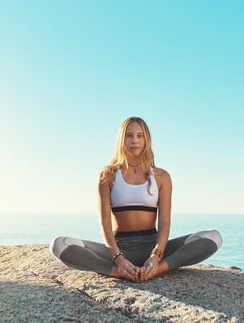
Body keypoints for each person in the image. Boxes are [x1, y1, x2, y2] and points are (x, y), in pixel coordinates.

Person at [50, 117, 223, 282]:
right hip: (118, 249)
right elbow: (105, 223)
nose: (135, 140)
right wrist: (118, 258)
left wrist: (156, 256)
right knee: (59, 244)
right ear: (121, 139)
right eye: (129, 135)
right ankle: (117, 271)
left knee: (213, 237)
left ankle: (158, 269)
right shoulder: (108, 175)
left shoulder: (162, 176)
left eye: (140, 136)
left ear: (147, 139)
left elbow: (165, 222)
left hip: (153, 247)